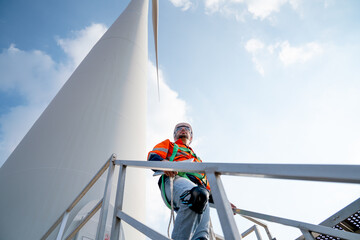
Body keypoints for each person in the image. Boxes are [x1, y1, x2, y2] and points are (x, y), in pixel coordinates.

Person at [147, 123, 213, 240]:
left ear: (191, 137)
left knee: (202, 196)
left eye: (186, 128)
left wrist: (224, 202)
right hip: (174, 179)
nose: (183, 129)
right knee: (194, 195)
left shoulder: (198, 160)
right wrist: (165, 164)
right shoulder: (169, 145)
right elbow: (153, 156)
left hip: (200, 191)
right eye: (179, 128)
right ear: (174, 134)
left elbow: (209, 188)